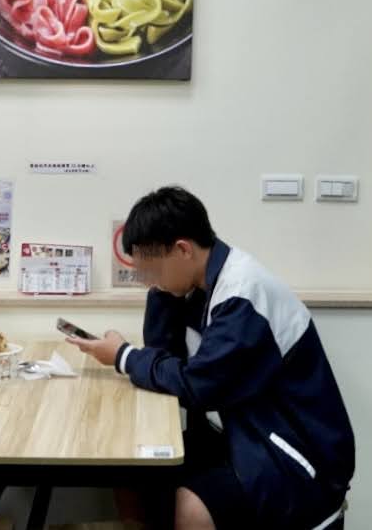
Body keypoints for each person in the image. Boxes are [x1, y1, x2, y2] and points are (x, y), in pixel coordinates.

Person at [67, 186, 354, 530]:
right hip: (239, 435)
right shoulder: (199, 285)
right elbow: (165, 354)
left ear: (183, 250)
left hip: (291, 456)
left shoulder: (243, 294)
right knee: (132, 464)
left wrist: (124, 356)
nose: (148, 282)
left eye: (151, 271)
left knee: (192, 506)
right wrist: (161, 293)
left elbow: (199, 384)